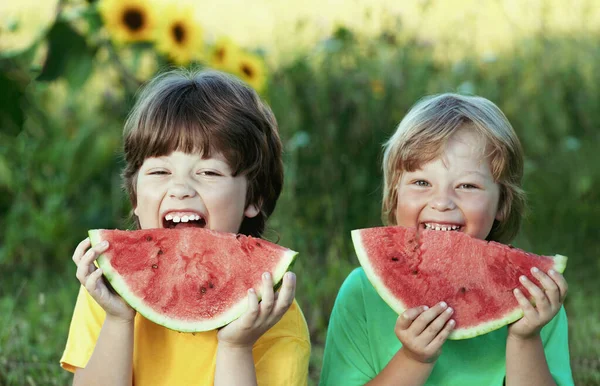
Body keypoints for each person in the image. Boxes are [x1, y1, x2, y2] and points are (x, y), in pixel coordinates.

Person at [61, 69, 311, 385]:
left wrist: (236, 346)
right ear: (135, 196)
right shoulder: (108, 289)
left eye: (208, 173)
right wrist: (118, 319)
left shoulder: (274, 316)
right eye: (159, 171)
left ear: (254, 197)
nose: (181, 189)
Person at [320, 93, 573, 385]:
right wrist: (413, 359)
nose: (442, 202)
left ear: (503, 203)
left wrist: (525, 338)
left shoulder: (534, 296)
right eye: (421, 182)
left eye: (467, 185)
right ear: (393, 196)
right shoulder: (360, 293)